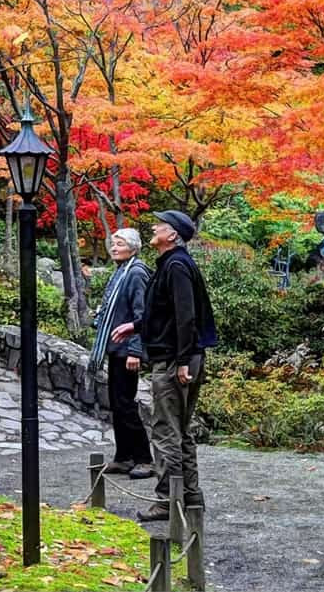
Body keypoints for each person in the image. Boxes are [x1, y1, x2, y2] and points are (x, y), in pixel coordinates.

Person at [112, 210, 217, 522]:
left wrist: (182, 360)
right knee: (180, 430)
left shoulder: (176, 266)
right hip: (181, 355)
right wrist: (136, 326)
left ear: (172, 235)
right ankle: (191, 497)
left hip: (174, 359)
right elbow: (166, 313)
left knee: (166, 431)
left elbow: (186, 316)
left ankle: (166, 502)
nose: (154, 227)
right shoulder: (173, 264)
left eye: (160, 225)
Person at [88, 228, 154, 479]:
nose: (113, 248)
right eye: (112, 243)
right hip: (115, 347)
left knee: (126, 404)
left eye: (119, 243)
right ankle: (124, 456)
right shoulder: (120, 271)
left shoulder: (136, 273)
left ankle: (144, 459)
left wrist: (135, 351)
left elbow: (141, 314)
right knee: (117, 404)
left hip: (127, 349)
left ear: (133, 248)